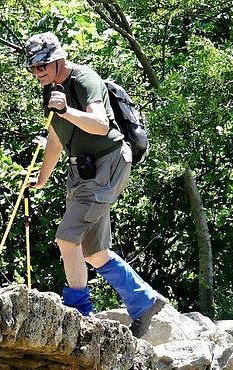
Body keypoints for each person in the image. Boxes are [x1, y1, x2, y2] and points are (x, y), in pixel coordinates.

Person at [24, 32, 166, 338]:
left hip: (107, 164)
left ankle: (80, 315)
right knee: (93, 250)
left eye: (42, 66)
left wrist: (65, 110)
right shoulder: (51, 90)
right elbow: (55, 139)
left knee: (66, 239)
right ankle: (144, 301)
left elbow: (100, 125)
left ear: (58, 60)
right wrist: (42, 177)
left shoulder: (85, 79)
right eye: (33, 68)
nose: (37, 73)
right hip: (82, 172)